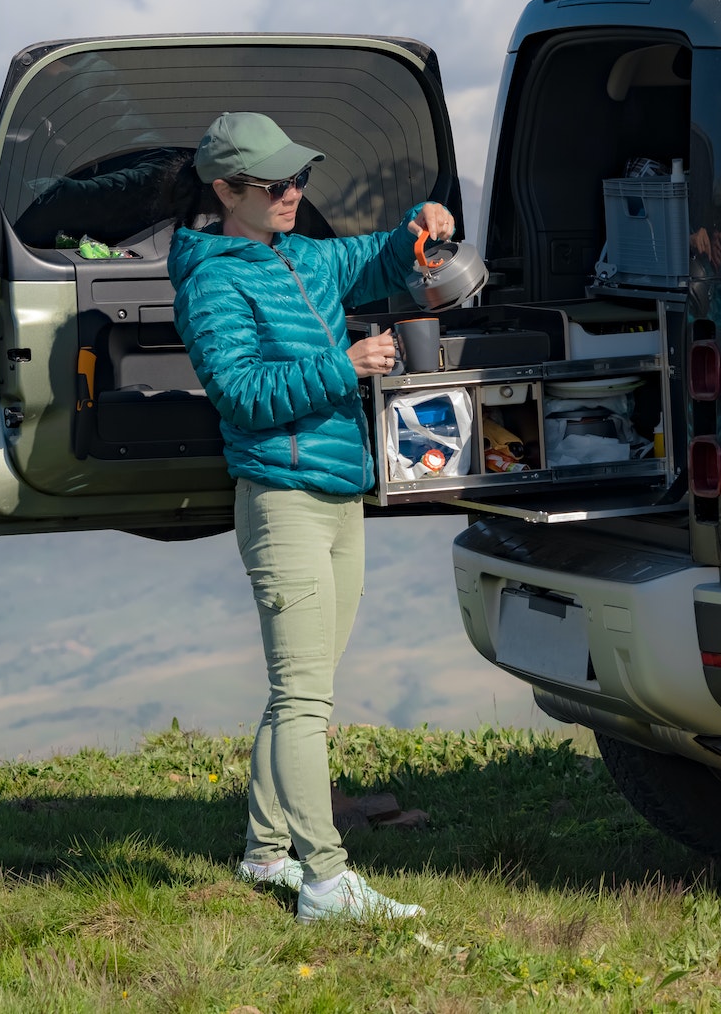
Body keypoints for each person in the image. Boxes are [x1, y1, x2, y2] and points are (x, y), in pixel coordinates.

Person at [167, 110, 457, 924]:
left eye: (299, 177)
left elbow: (369, 257)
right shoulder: (214, 281)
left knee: (304, 689)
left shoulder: (301, 255)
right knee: (303, 700)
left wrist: (416, 232)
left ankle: (265, 856)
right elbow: (241, 395)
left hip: (338, 497)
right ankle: (327, 882)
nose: (295, 192)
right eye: (275, 185)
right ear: (227, 191)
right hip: (283, 502)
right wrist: (345, 366)